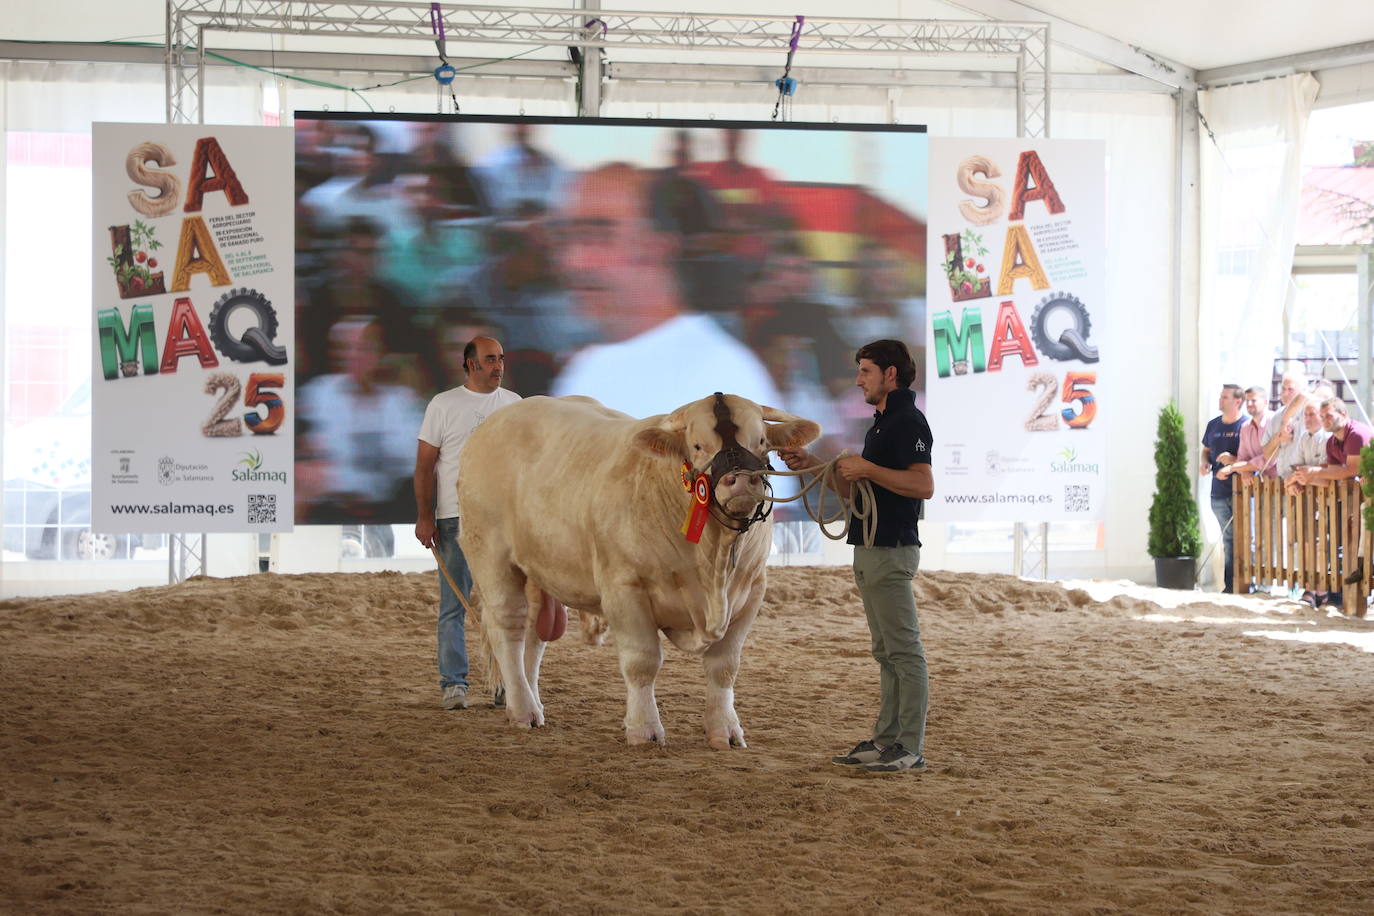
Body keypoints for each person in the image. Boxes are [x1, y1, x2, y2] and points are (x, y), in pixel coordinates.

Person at [778, 339, 934, 773]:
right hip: (871, 548)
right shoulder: (883, 424)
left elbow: (923, 485)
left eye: (866, 370)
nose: (859, 379)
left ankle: (909, 746)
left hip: (890, 549)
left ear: (891, 375)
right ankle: (888, 741)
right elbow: (858, 491)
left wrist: (866, 468)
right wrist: (811, 464)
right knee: (887, 652)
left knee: (903, 652)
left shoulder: (907, 421)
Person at [548, 162, 782, 418]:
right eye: (567, 237)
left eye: (599, 235)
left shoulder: (722, 383)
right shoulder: (584, 371)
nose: (574, 261)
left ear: (657, 244)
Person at [414, 336, 522, 710]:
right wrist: (425, 516)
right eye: (491, 359)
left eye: (501, 359)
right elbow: (425, 466)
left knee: (503, 605)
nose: (499, 366)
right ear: (471, 364)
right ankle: (454, 684)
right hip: (453, 518)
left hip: (502, 520)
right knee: (453, 606)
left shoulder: (514, 405)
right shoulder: (443, 404)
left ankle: (507, 684)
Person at [1200, 384, 1246, 593]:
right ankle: (1230, 583)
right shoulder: (1213, 425)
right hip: (1217, 491)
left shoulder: (1245, 426)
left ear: (1237, 401)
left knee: (1241, 539)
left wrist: (1232, 460)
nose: (1221, 400)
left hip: (1241, 491)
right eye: (1220, 397)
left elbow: (1253, 460)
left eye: (1225, 397)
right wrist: (1204, 462)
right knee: (1228, 539)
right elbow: (1206, 449)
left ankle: (1238, 583)